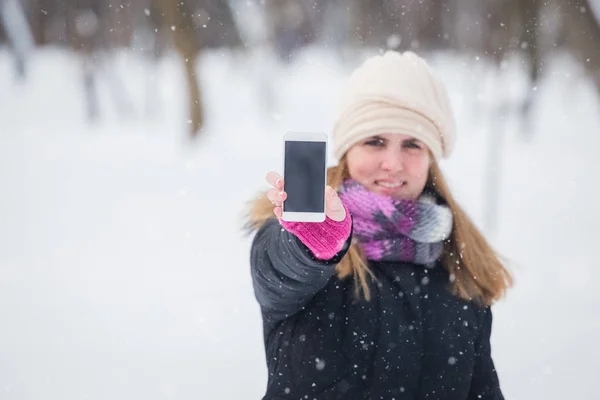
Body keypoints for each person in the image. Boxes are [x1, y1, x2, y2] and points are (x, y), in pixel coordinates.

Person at [245, 50, 513, 400]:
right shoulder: (299, 236)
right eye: (375, 141)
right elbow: (278, 269)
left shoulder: (460, 265)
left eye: (412, 144)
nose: (393, 163)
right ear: (346, 149)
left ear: (431, 158)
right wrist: (314, 246)